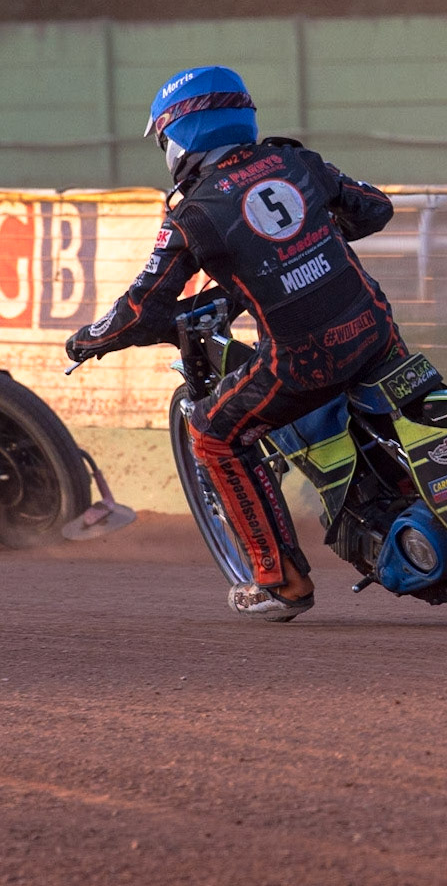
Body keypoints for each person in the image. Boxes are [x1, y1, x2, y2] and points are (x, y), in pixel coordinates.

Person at [65, 65, 404, 621]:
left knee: (212, 435)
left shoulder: (193, 213)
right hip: (375, 329)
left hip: (306, 362)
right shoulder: (297, 163)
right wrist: (309, 237)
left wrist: (87, 339)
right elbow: (374, 209)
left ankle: (280, 581)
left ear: (184, 134)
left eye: (166, 139)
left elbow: (140, 312)